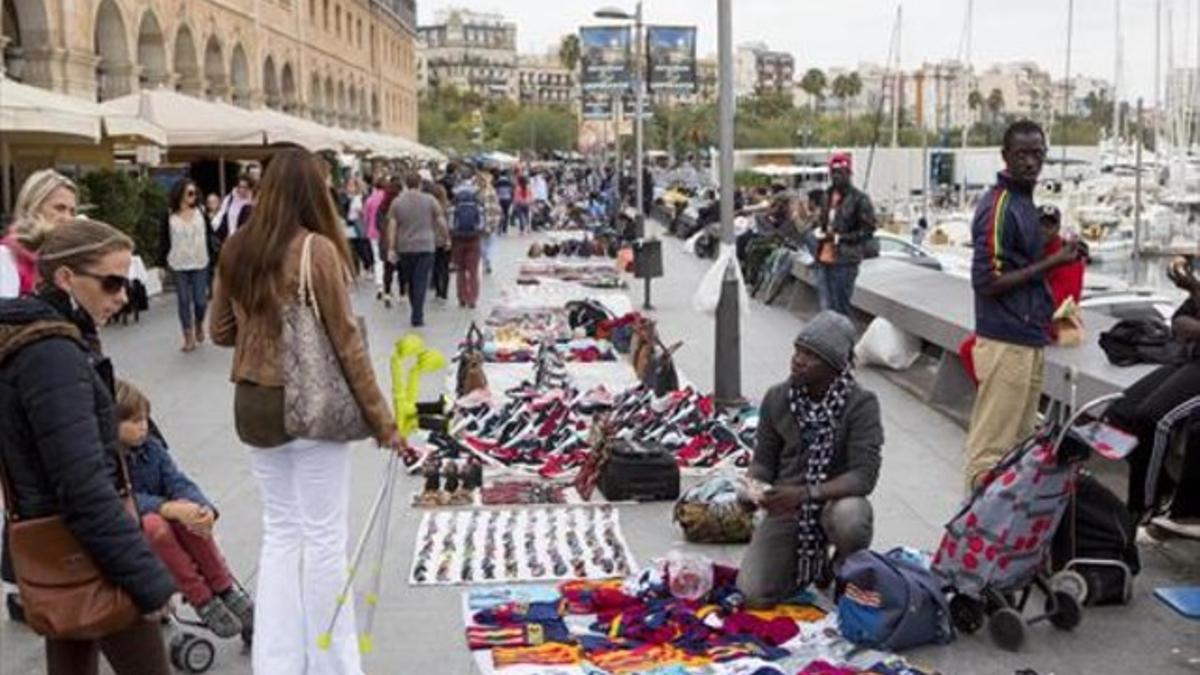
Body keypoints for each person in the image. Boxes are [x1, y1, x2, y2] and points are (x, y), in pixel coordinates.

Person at [209, 149, 403, 674]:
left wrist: (262, 329)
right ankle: (332, 664)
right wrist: (384, 422)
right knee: (323, 538)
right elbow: (347, 344)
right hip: (311, 404)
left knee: (281, 533)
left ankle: (276, 663)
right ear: (313, 192)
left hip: (254, 403)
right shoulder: (316, 250)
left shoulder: (237, 247)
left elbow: (219, 331)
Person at [0, 218, 175, 674]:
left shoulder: (37, 338)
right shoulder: (51, 353)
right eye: (112, 282)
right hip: (90, 549)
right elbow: (81, 483)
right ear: (65, 278)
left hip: (64, 551)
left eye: (128, 283)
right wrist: (149, 580)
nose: (122, 296)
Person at [963, 120, 1081, 490]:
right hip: (1005, 340)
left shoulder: (1023, 202)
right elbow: (986, 280)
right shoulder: (999, 205)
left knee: (1017, 448)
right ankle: (971, 537)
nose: (1031, 162)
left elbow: (1023, 265)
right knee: (990, 453)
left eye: (1037, 154)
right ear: (1005, 156)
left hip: (1027, 337)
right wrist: (1053, 263)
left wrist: (1061, 255)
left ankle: (1001, 538)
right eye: (1022, 154)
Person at [737, 312, 882, 607]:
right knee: (753, 592)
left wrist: (804, 494)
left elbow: (864, 476)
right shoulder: (778, 397)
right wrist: (755, 486)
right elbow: (764, 459)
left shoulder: (860, 404)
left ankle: (843, 560)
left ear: (835, 366)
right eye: (798, 350)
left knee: (851, 518)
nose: (799, 360)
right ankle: (802, 568)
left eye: (812, 356)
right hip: (789, 510)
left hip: (833, 502)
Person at [114, 380, 253, 639]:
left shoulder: (152, 448)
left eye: (145, 419)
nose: (143, 426)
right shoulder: (110, 462)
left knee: (187, 513)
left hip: (167, 516)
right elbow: (122, 500)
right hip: (136, 527)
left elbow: (176, 480)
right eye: (134, 421)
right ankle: (201, 598)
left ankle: (223, 587)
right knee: (157, 526)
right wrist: (167, 507)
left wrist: (202, 509)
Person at [1106, 258, 1200, 536]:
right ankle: (1161, 492)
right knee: (1120, 412)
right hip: (1191, 358)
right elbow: (1180, 321)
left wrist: (1195, 291)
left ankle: (1143, 509)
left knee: (1156, 418)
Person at [813, 153, 876, 317]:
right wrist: (820, 232)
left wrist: (839, 238)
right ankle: (827, 341)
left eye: (841, 172)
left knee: (841, 306)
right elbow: (823, 222)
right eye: (833, 173)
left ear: (849, 174)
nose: (836, 177)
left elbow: (868, 230)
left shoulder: (860, 199)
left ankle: (844, 340)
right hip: (822, 259)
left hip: (845, 261)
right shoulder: (826, 196)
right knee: (825, 307)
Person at [1, 169, 78, 298]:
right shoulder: (6, 256)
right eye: (59, 208)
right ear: (33, 208)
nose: (67, 218)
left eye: (72, 212)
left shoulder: (66, 259)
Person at [387, 172, 447, 328]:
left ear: (406, 184)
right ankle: (417, 315)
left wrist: (391, 247)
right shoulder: (430, 200)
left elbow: (392, 226)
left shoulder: (397, 202)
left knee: (411, 280)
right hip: (426, 246)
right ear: (420, 184)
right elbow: (441, 220)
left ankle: (416, 311)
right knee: (421, 280)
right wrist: (446, 238)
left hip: (405, 246)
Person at [161, 179, 210, 353]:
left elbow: (209, 235)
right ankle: (188, 337)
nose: (193, 196)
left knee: (200, 301)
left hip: (200, 262)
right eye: (190, 193)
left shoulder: (201, 211)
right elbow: (164, 240)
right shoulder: (169, 215)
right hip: (178, 263)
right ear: (180, 193)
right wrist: (161, 264)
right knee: (183, 300)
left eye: (195, 193)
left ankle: (199, 323)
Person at [449, 174, 487, 309]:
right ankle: (473, 299)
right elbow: (482, 225)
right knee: (473, 271)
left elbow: (451, 225)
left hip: (458, 240)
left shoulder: (454, 207)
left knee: (460, 271)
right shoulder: (478, 207)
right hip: (474, 240)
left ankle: (461, 298)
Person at [376, 177, 403, 309]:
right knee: (402, 268)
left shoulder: (382, 207)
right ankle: (403, 294)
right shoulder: (399, 206)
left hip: (384, 240)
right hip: (398, 240)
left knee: (388, 269)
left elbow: (377, 225)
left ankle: (387, 292)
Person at [211, 175, 254, 244]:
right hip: (229, 238)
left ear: (249, 188)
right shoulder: (230, 199)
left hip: (245, 240)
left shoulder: (252, 202)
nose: (241, 190)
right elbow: (220, 215)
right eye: (239, 186)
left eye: (244, 187)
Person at [428, 183, 453, 303]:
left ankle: (438, 291)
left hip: (432, 240)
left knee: (436, 267)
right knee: (445, 267)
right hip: (445, 239)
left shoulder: (429, 207)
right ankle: (444, 293)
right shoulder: (448, 206)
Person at [345, 177, 373, 279]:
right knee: (352, 246)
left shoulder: (362, 198)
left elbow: (365, 212)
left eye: (351, 186)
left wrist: (361, 212)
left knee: (361, 245)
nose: (349, 188)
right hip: (350, 223)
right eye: (348, 185)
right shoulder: (348, 198)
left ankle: (368, 265)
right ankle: (355, 269)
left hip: (358, 223)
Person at [478, 173, 503, 275]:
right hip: (492, 221)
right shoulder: (492, 192)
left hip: (480, 222)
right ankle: (488, 261)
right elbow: (497, 208)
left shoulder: (477, 193)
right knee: (490, 244)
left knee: (482, 244)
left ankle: (485, 261)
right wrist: (497, 220)